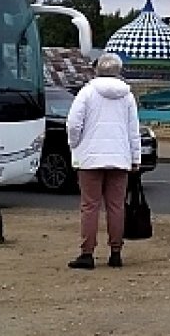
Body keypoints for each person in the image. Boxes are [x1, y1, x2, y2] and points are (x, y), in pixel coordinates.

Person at [65, 52, 140, 269]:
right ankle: (115, 252)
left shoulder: (87, 93)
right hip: (119, 157)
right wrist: (135, 158)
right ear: (118, 71)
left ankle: (87, 253)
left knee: (90, 206)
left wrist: (75, 145)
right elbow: (133, 131)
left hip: (90, 158)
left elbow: (73, 124)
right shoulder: (127, 96)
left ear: (97, 69)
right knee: (116, 206)